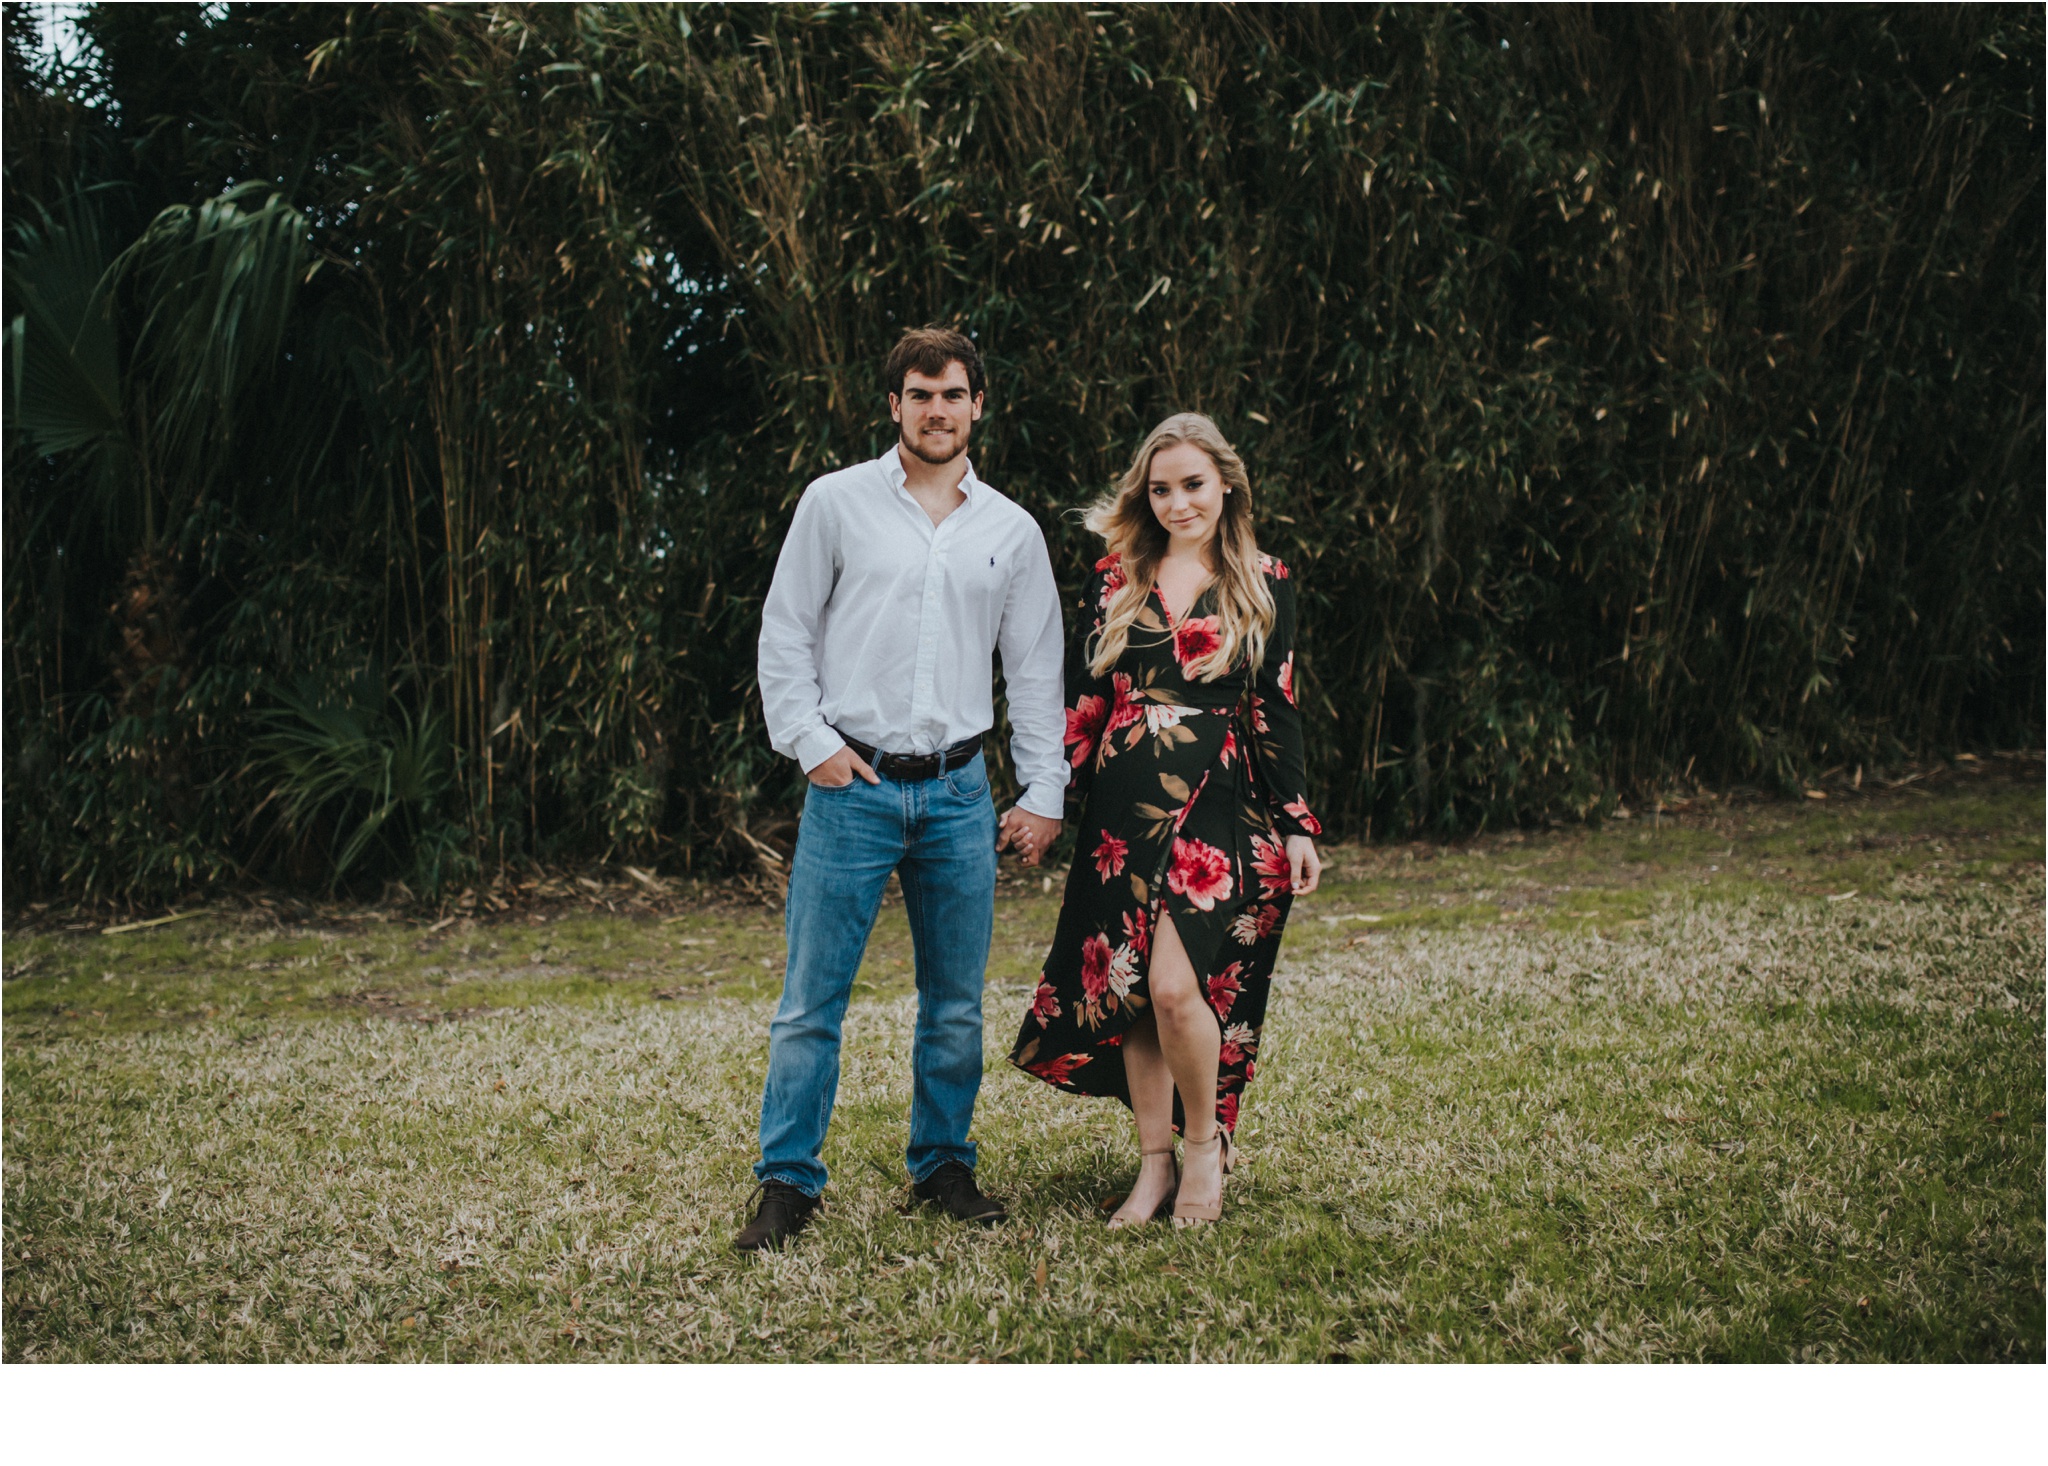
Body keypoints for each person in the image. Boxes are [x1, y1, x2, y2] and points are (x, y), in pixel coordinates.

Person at [737, 325, 1068, 1252]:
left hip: (961, 791)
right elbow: (786, 630)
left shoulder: (1011, 531)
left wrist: (1043, 790)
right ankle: (788, 1183)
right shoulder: (835, 504)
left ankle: (942, 1166)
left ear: (977, 405)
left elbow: (1036, 670)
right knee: (812, 1001)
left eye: (953, 394)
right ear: (895, 405)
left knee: (955, 1002)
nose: (937, 410)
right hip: (854, 787)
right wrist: (810, 745)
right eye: (920, 394)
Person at [1009, 412, 1322, 1227]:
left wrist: (1296, 822)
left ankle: (1203, 1149)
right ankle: (1152, 1166)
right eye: (1161, 488)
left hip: (1222, 799)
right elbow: (1083, 703)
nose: (1178, 503)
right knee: (1135, 995)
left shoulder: (1265, 577)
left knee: (1179, 989)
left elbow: (1275, 705)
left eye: (1192, 485)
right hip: (1123, 809)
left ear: (1226, 483)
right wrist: (1048, 801)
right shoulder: (1117, 578)